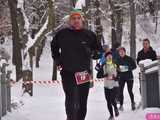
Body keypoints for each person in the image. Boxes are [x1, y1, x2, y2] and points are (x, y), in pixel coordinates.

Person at [51, 9, 102, 120]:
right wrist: (58, 60)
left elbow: (99, 52)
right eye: (73, 18)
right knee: (71, 99)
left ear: (82, 20)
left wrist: (92, 53)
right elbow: (54, 47)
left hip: (83, 73)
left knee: (82, 101)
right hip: (67, 72)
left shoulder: (89, 35)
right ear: (70, 21)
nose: (76, 20)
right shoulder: (62, 34)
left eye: (78, 18)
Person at [116, 47, 137, 111]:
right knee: (120, 91)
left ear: (125, 52)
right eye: (120, 52)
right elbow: (116, 68)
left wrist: (127, 68)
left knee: (130, 90)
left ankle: (132, 103)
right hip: (121, 77)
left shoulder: (129, 58)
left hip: (129, 77)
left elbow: (134, 66)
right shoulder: (118, 59)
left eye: (122, 52)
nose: (121, 53)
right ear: (119, 53)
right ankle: (121, 105)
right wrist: (118, 70)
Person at [103, 51, 119, 120]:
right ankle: (111, 115)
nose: (109, 57)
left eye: (110, 56)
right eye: (108, 56)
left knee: (112, 99)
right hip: (106, 85)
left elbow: (120, 73)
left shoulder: (115, 64)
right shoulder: (104, 65)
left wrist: (116, 78)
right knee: (108, 101)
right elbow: (98, 75)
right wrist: (104, 75)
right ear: (106, 58)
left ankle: (115, 108)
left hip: (114, 85)